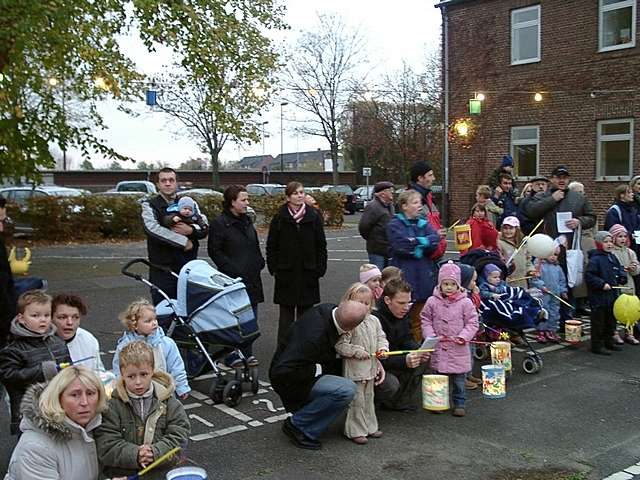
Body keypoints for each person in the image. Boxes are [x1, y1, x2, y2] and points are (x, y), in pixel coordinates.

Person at [269, 301, 370, 450]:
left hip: (296, 367)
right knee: (346, 390)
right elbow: (284, 370)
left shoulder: (328, 309)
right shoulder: (314, 337)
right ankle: (299, 426)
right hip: (289, 381)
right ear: (351, 328)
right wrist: (319, 368)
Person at [96, 341, 191, 479]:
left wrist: (155, 452)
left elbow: (179, 436)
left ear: (153, 371)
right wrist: (136, 454)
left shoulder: (169, 402)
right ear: (122, 374)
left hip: (161, 475)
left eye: (144, 374)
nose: (138, 382)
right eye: (131, 376)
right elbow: (107, 444)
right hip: (124, 475)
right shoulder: (112, 405)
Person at [5, 366, 108, 480]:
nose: (84, 402)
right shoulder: (35, 448)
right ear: (58, 399)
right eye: (74, 395)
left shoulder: (97, 427)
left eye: (90, 393)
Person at [208, 185, 265, 367]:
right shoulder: (220, 223)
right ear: (232, 202)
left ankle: (247, 353)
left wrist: (259, 261)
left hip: (252, 277)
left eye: (248, 199)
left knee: (251, 319)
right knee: (234, 319)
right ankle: (232, 355)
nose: (247, 203)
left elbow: (254, 244)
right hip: (233, 279)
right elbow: (214, 250)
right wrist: (230, 269)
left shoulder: (247, 221)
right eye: (243, 200)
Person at [266, 181, 327, 348]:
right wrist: (274, 268)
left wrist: (320, 268)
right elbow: (272, 245)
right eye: (296, 193)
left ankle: (303, 348)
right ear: (288, 197)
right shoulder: (280, 217)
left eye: (302, 192)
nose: (300, 195)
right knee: (286, 316)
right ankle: (284, 349)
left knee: (306, 314)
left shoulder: (313, 216)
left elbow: (321, 244)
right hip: (286, 272)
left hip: (308, 272)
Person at [0, 290, 71, 434]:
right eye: (35, 315)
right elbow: (9, 377)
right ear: (21, 318)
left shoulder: (58, 342)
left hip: (57, 408)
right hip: (28, 414)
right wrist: (43, 370)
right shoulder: (14, 349)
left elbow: (68, 366)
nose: (43, 320)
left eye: (47, 315)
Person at [141, 168, 209, 305]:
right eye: (163, 180)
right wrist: (183, 241)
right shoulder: (149, 205)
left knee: (188, 313)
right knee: (165, 313)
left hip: (187, 268)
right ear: (158, 184)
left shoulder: (189, 202)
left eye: (171, 180)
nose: (167, 183)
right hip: (162, 270)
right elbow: (153, 229)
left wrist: (191, 230)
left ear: (176, 183)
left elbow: (204, 225)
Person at [421, 261, 478, 417]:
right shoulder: (432, 301)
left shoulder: (465, 303)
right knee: (439, 377)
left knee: (459, 380)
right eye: (445, 284)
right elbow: (425, 319)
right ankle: (437, 402)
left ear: (458, 285)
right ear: (440, 284)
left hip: (457, 346)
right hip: (439, 345)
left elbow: (473, 322)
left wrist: (463, 336)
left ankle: (460, 403)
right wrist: (430, 335)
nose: (448, 287)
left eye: (452, 284)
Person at [335, 284, 388, 444]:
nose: (364, 306)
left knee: (369, 399)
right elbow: (340, 345)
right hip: (355, 370)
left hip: (371, 368)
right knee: (357, 402)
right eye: (360, 303)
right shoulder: (350, 321)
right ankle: (355, 430)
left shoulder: (374, 320)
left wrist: (383, 348)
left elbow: (381, 337)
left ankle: (370, 427)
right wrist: (355, 351)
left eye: (367, 303)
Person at [387, 189, 441, 342]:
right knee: (402, 320)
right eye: (415, 202)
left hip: (423, 278)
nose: (420, 206)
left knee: (420, 319)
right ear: (404, 206)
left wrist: (416, 242)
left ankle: (420, 353)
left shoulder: (424, 223)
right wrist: (422, 242)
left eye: (420, 202)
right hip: (404, 277)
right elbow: (400, 245)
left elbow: (435, 240)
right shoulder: (394, 224)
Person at [113, 298, 190, 398]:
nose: (154, 323)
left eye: (155, 319)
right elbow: (118, 371)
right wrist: (119, 390)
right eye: (148, 321)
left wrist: (182, 387)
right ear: (134, 325)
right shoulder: (124, 346)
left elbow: (176, 367)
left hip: (163, 392)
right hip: (133, 393)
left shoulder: (166, 344)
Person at [375, 278, 430, 412]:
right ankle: (373, 403)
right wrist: (404, 361)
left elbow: (407, 338)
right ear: (388, 300)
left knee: (423, 360)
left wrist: (418, 350)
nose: (406, 307)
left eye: (408, 303)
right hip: (376, 366)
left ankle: (399, 401)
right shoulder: (374, 319)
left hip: (394, 357)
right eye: (401, 303)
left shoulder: (403, 312)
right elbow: (377, 357)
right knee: (391, 384)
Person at [521, 165, 596, 243]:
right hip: (546, 243)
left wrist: (579, 221)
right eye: (558, 178)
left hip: (570, 243)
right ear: (552, 179)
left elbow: (592, 218)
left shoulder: (579, 198)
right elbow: (531, 212)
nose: (562, 181)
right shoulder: (541, 196)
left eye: (565, 178)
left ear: (568, 179)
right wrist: (552, 199)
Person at [585, 231, 628, 355]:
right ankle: (597, 345)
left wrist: (622, 277)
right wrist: (601, 284)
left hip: (612, 296)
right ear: (599, 243)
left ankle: (609, 341)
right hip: (599, 298)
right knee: (599, 322)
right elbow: (589, 276)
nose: (609, 244)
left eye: (610, 241)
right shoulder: (595, 259)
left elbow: (620, 269)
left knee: (611, 321)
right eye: (605, 242)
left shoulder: (612, 257)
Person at [52, 293, 105, 371]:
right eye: (62, 317)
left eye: (75, 317)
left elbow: (98, 372)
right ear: (51, 318)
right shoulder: (39, 344)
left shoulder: (89, 340)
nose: (70, 322)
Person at [407, 161, 447, 259]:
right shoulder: (411, 200)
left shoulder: (428, 196)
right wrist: (434, 235)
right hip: (421, 257)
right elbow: (411, 232)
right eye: (430, 175)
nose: (433, 178)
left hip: (434, 254)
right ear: (420, 178)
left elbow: (432, 221)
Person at [609, 224, 640, 345]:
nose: (622, 239)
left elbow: (637, 269)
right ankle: (614, 332)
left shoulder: (630, 252)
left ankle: (629, 333)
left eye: (624, 236)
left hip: (629, 285)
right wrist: (622, 269)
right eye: (619, 236)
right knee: (616, 309)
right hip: (617, 286)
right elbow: (612, 268)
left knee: (630, 310)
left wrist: (634, 268)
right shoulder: (611, 252)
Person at [531, 247, 567, 343]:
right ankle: (541, 331)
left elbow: (562, 280)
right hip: (543, 294)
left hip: (555, 294)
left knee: (554, 312)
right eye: (551, 254)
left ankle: (551, 330)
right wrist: (541, 286)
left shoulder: (558, 267)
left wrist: (563, 290)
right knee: (543, 312)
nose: (553, 257)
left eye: (555, 255)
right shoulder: (539, 265)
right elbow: (534, 278)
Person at [358, 181, 395, 270]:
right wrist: (373, 239)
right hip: (377, 250)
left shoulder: (390, 206)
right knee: (377, 276)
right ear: (382, 193)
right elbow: (363, 227)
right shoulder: (373, 207)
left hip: (389, 250)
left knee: (388, 277)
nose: (392, 192)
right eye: (389, 190)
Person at [498, 216, 535, 289]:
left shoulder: (523, 245)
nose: (508, 231)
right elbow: (499, 262)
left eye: (511, 228)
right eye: (505, 228)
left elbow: (528, 261)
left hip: (522, 281)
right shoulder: (500, 243)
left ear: (517, 229)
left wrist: (531, 271)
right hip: (508, 282)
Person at [604, 185, 640, 257]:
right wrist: (629, 235)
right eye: (629, 192)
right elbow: (613, 228)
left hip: (635, 245)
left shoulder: (633, 210)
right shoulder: (614, 210)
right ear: (622, 195)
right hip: (620, 247)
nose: (632, 194)